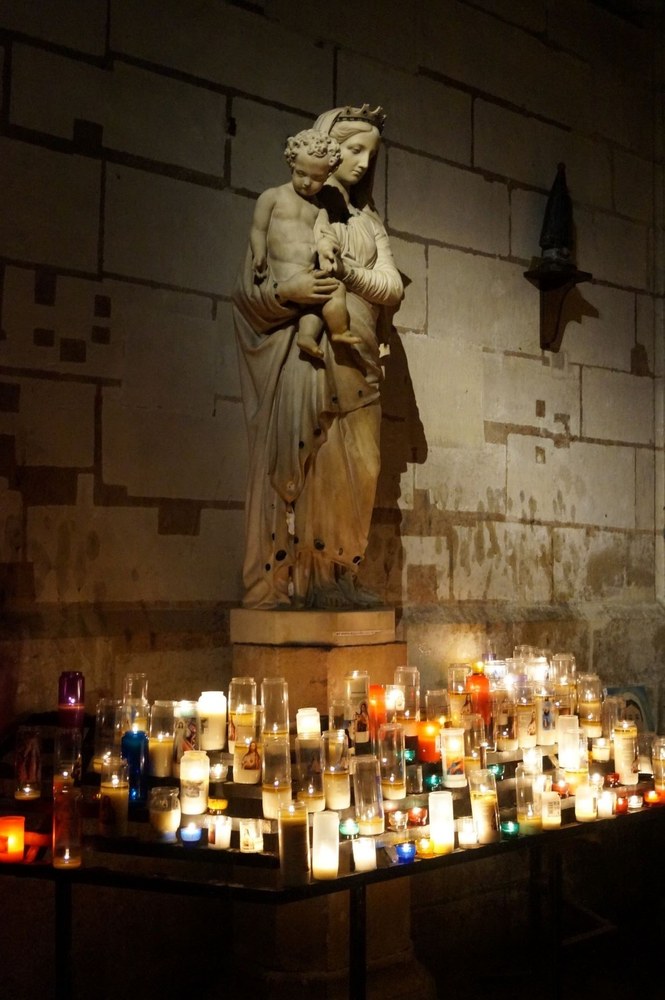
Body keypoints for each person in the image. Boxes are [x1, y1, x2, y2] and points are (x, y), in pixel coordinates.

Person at [233, 104, 404, 610]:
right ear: (328, 149)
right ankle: (308, 580)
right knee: (318, 462)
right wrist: (289, 291)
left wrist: (347, 273)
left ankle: (342, 573)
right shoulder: (292, 209)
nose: (362, 163)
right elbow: (248, 293)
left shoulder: (369, 224)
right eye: (353, 150)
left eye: (371, 155)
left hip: (360, 358)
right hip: (309, 361)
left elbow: (391, 288)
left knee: (364, 465)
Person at [249, 128, 360, 359]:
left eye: (317, 178)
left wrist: (327, 249)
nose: (307, 183)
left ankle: (327, 332)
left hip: (308, 272)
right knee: (316, 296)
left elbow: (324, 235)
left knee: (333, 291)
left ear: (327, 176)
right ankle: (313, 333)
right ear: (292, 164)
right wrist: (259, 254)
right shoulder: (272, 197)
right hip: (284, 274)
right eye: (301, 173)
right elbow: (258, 229)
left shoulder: (319, 209)